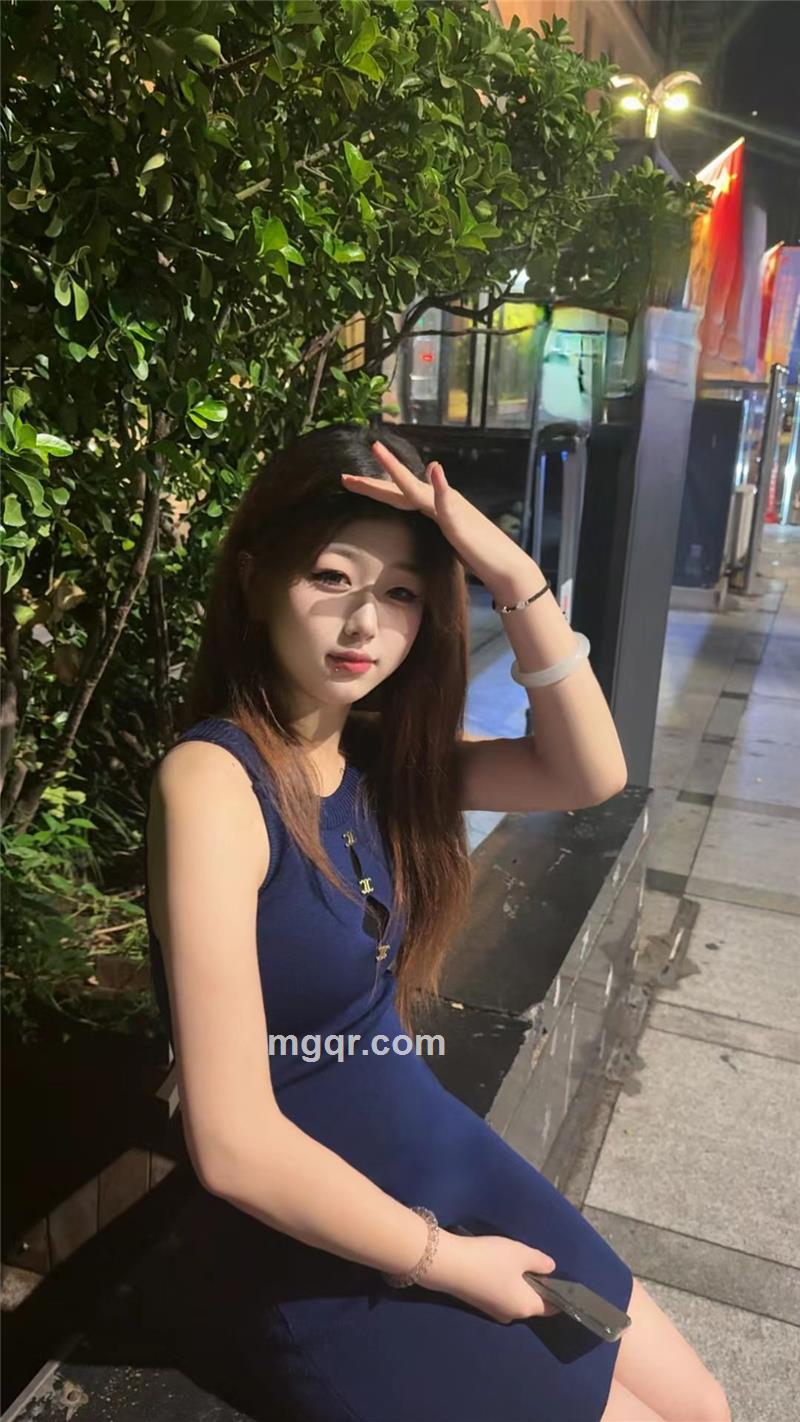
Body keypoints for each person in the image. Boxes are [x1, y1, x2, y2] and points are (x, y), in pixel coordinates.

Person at [144, 423, 732, 1422]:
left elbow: (589, 772)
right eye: (331, 577)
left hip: (435, 1151)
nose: (363, 623)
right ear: (252, 578)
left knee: (702, 1407)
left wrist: (513, 574)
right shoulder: (213, 781)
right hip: (315, 1233)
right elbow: (235, 1142)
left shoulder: (377, 757)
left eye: (404, 594)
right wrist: (449, 1264)